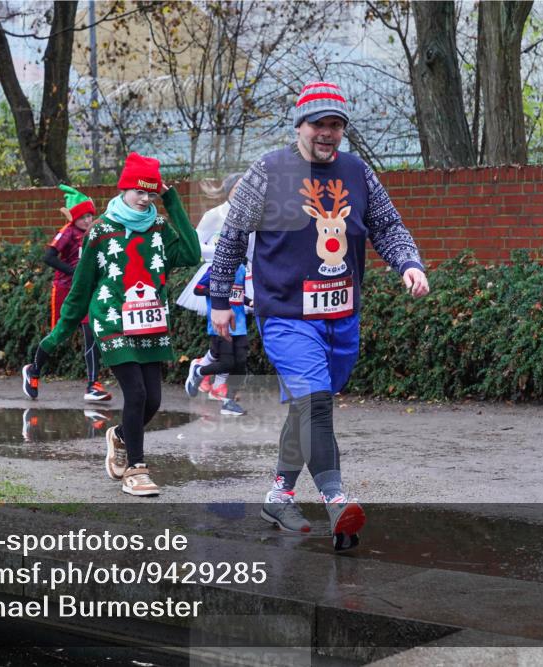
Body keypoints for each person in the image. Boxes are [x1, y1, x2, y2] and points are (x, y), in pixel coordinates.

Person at [209, 81, 429, 550]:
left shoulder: (357, 171)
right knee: (315, 402)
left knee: (309, 404)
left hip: (342, 315)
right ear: (300, 125)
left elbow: (387, 225)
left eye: (336, 124)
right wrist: (220, 301)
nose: (327, 132)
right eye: (319, 123)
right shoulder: (269, 170)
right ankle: (336, 501)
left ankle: (279, 495)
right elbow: (232, 237)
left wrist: (409, 263)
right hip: (286, 313)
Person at [21, 153, 201, 497]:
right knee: (136, 393)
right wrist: (58, 335)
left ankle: (119, 436)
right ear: (124, 189)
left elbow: (192, 253)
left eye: (150, 193)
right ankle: (136, 468)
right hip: (112, 320)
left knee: (153, 401)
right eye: (138, 191)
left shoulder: (159, 228)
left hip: (150, 322)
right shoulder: (101, 231)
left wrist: (171, 199)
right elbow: (82, 287)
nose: (144, 198)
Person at [176, 174, 252, 400]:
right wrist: (221, 253)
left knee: (236, 335)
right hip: (214, 276)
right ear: (228, 190)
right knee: (223, 334)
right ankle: (207, 373)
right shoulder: (214, 215)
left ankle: (216, 381)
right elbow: (195, 245)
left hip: (242, 275)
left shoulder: (252, 216)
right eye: (238, 187)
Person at [41, 184, 111, 402]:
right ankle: (33, 370)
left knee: (91, 331)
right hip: (65, 289)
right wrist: (74, 272)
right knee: (58, 335)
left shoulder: (96, 233)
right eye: (83, 217)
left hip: (87, 291)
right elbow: (48, 257)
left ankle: (93, 385)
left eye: (90, 216)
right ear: (74, 218)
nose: (88, 220)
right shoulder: (67, 232)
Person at [184, 262, 250, 416]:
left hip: (239, 325)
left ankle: (228, 402)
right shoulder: (216, 267)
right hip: (220, 322)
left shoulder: (241, 269)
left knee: (240, 365)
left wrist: (250, 302)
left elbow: (237, 293)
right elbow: (198, 289)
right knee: (227, 363)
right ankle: (199, 371)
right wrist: (218, 292)